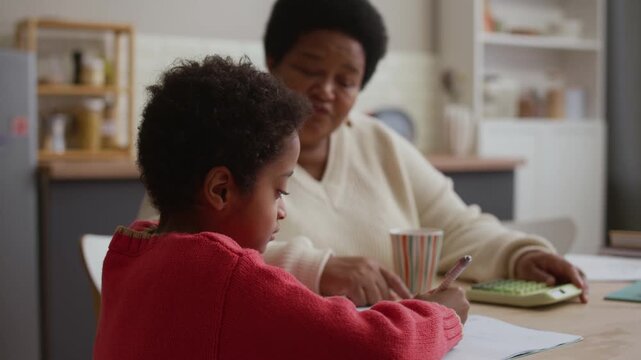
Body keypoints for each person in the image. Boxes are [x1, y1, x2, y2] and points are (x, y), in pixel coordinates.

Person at [137, 0, 587, 306]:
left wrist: (519, 255)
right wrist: (318, 269)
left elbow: (455, 228)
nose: (325, 91)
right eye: (310, 70)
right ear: (272, 62)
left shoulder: (380, 144)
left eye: (347, 80)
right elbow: (178, 254)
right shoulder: (209, 149)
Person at [95, 55, 468, 359]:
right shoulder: (231, 278)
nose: (282, 212)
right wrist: (441, 314)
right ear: (221, 190)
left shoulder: (130, 252)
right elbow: (380, 345)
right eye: (279, 191)